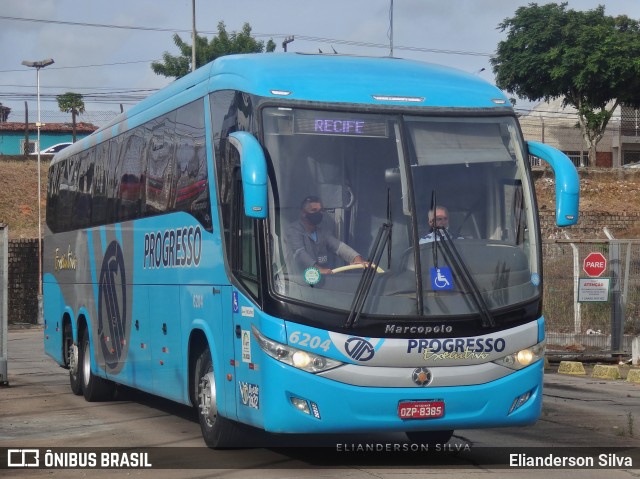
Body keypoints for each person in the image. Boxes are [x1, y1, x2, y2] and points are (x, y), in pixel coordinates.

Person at [286, 195, 365, 275]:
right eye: (314, 210)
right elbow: (299, 253)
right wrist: (318, 269)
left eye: (320, 210)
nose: (318, 213)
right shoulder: (293, 230)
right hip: (299, 283)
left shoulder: (322, 232)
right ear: (304, 213)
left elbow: (338, 246)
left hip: (323, 282)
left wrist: (356, 258)